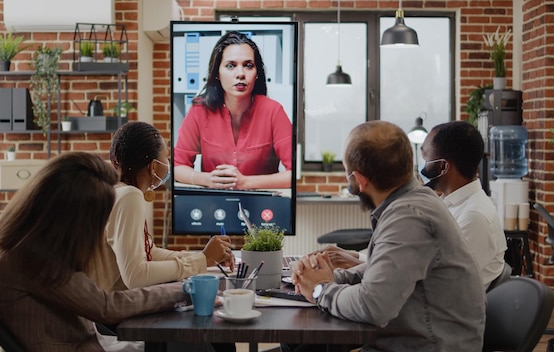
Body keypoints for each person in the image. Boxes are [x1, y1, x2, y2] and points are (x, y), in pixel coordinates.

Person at [0, 152, 190, 352]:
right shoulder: (37, 260)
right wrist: (184, 289)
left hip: (80, 339)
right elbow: (108, 307)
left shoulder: (0, 228)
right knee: (187, 344)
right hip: (77, 346)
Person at [288, 121, 485, 351]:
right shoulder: (414, 201)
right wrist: (329, 276)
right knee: (298, 344)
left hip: (428, 346)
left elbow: (373, 306)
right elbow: (383, 270)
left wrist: (321, 289)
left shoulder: (409, 217)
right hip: (414, 340)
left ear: (359, 181)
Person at [88, 121, 235, 292]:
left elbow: (149, 253)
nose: (169, 164)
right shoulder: (129, 196)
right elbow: (136, 276)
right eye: (166, 157)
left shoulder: (116, 191)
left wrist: (203, 257)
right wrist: (202, 260)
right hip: (103, 312)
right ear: (153, 166)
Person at [174, 31, 292, 190]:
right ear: (217, 73)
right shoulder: (200, 110)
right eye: (231, 66)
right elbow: (177, 166)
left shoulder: (273, 111)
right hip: (212, 205)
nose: (240, 74)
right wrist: (207, 179)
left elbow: (294, 174)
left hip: (263, 206)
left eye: (248, 65)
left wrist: (246, 182)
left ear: (257, 73)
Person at [420, 120, 507, 290]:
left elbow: (437, 281)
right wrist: (361, 260)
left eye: (425, 157)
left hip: (444, 311)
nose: (422, 165)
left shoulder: (474, 217)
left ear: (442, 166)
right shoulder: (450, 202)